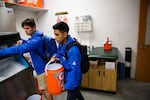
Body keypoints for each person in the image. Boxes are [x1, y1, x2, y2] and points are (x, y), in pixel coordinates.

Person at [0, 18, 56, 100]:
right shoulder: (38, 36)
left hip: (41, 69)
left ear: (34, 27)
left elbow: (20, 49)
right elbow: (31, 44)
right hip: (43, 66)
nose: (25, 31)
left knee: (45, 90)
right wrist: (23, 41)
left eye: (27, 28)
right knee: (45, 89)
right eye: (24, 29)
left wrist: (1, 52)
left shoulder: (36, 40)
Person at [51, 21, 84, 100]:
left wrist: (67, 86)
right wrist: (55, 56)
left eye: (57, 34)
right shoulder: (61, 43)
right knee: (78, 94)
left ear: (65, 34)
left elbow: (74, 71)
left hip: (73, 81)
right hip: (68, 77)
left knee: (72, 94)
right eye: (55, 34)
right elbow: (60, 54)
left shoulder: (73, 51)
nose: (55, 37)